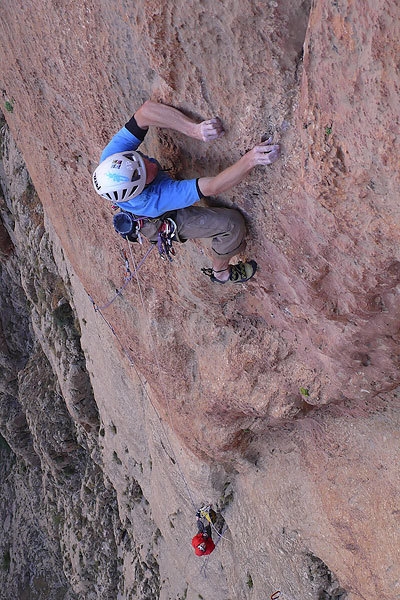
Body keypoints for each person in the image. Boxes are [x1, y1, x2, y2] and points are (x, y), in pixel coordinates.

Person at [92, 99, 280, 283]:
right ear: (140, 188)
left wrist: (195, 130)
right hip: (159, 219)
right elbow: (213, 186)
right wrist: (252, 160)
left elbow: (145, 112)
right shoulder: (154, 199)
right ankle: (220, 272)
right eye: (146, 172)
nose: (150, 163)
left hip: (140, 199)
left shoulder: (113, 159)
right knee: (232, 224)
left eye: (141, 159)